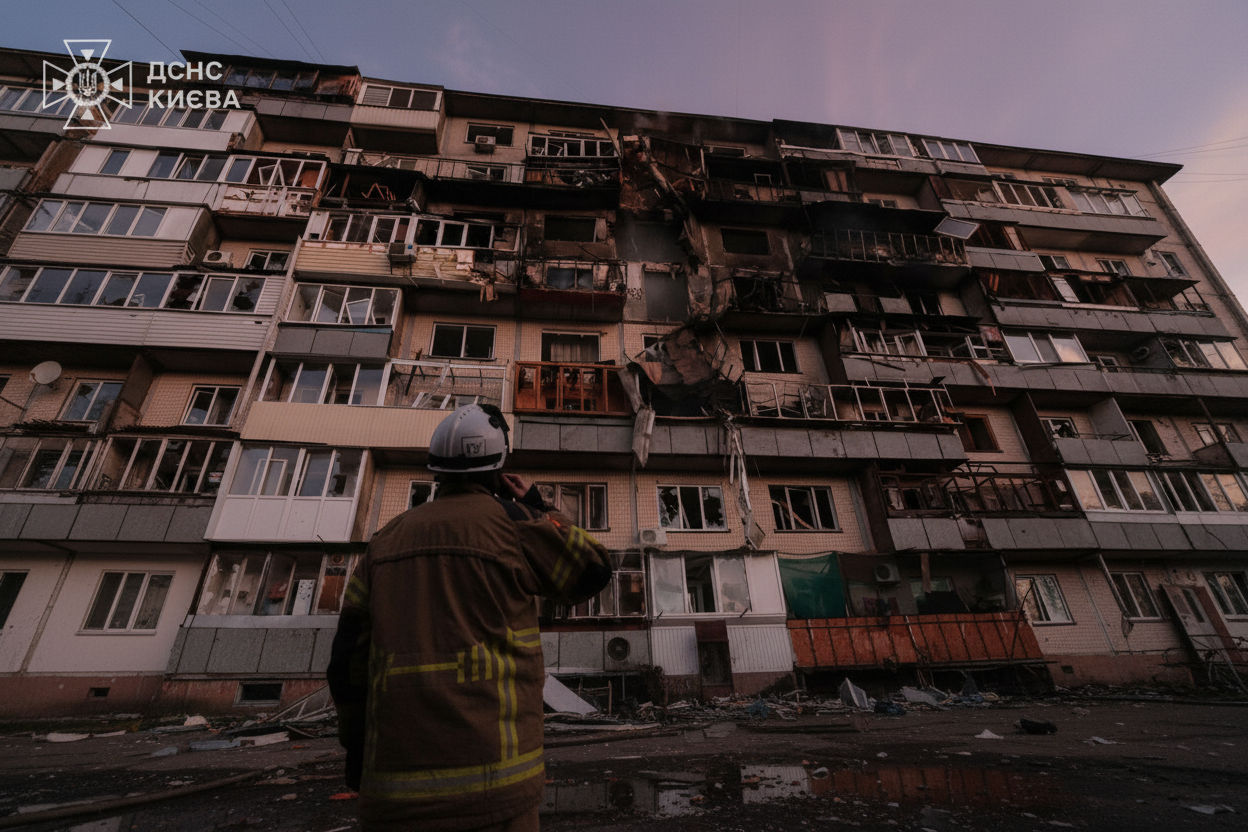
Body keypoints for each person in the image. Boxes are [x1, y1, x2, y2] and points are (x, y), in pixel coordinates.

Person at [328, 403, 612, 831]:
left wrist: (357, 751)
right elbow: (594, 569)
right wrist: (537, 504)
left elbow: (347, 662)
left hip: (393, 795)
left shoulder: (384, 542)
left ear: (437, 470)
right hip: (497, 789)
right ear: (499, 469)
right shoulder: (515, 525)